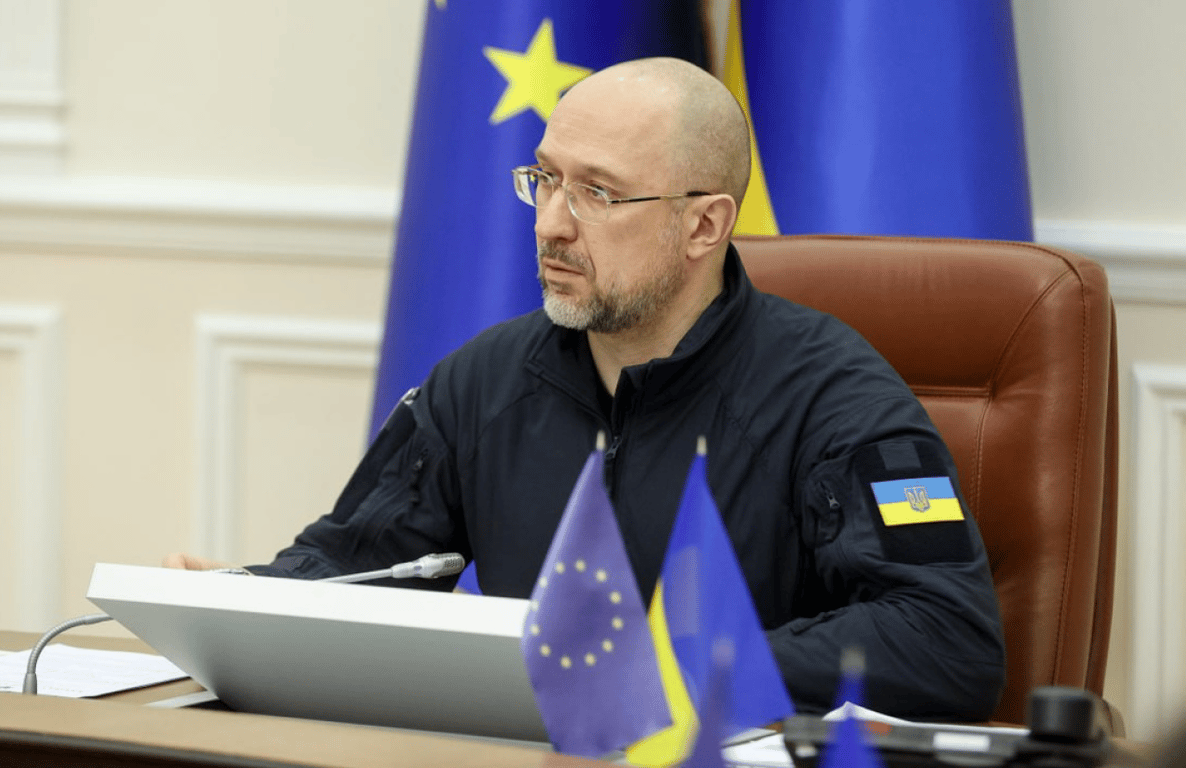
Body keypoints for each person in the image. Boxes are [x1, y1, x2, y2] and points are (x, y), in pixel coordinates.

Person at [166, 57, 1006, 720]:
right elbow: (356, 566)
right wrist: (243, 605)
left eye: (597, 193)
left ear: (703, 225)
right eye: (544, 179)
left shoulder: (837, 399)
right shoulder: (483, 380)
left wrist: (665, 667)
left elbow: (945, 639)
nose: (549, 224)